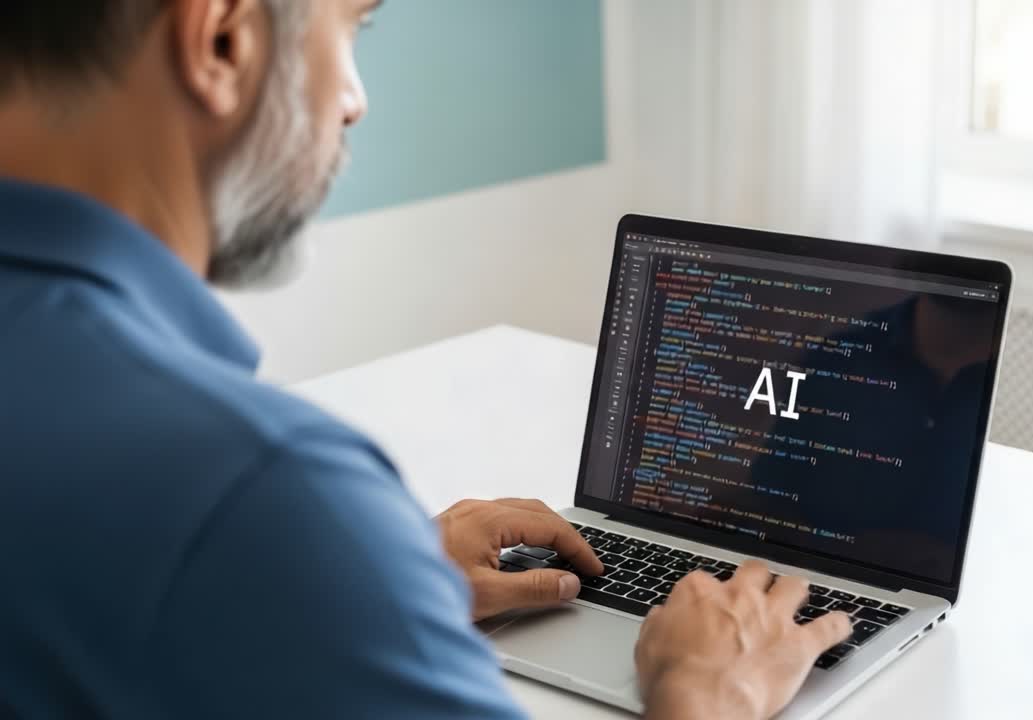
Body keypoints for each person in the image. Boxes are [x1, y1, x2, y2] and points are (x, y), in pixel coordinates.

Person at [0, 2, 851, 719]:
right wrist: (708, 693)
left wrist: (369, 589)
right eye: (351, 27)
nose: (353, 100)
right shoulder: (265, 490)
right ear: (223, 39)